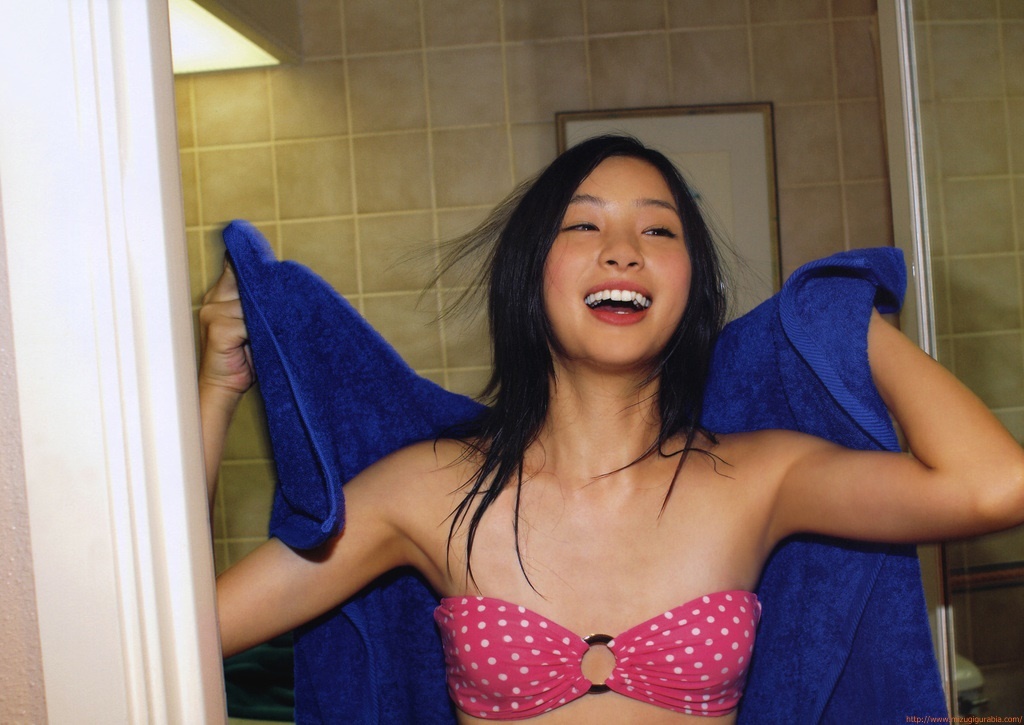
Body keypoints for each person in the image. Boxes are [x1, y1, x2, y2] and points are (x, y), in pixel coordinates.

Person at [198, 135, 1024, 722]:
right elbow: (182, 628)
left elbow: (995, 485)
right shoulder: (428, 491)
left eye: (659, 229)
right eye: (583, 224)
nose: (623, 249)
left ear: (692, 287)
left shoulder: (761, 479)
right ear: (531, 274)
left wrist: (840, 320)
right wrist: (216, 389)